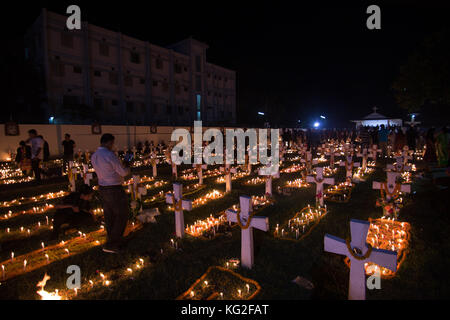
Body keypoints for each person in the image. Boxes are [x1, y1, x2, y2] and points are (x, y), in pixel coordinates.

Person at [91, 133, 130, 253]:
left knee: (109, 215)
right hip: (114, 188)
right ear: (108, 142)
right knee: (121, 214)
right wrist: (128, 166)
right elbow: (123, 172)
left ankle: (112, 239)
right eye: (112, 143)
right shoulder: (109, 155)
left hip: (103, 187)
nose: (112, 146)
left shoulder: (94, 155)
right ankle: (112, 244)